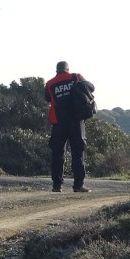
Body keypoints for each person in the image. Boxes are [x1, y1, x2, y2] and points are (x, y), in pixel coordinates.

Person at [44, 61, 94, 193]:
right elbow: (91, 87)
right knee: (78, 153)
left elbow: (47, 98)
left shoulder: (50, 83)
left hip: (58, 123)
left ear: (57, 70)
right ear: (67, 69)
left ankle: (57, 186)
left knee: (57, 154)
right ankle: (78, 185)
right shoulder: (75, 77)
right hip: (76, 121)